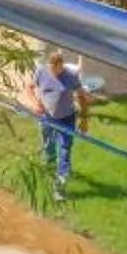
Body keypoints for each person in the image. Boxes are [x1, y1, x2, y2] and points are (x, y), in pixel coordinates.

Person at [32, 47, 88, 195]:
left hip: (67, 118)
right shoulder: (41, 71)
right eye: (50, 68)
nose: (52, 72)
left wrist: (84, 120)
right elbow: (29, 87)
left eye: (54, 69)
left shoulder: (71, 76)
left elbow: (82, 97)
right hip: (46, 116)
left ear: (61, 65)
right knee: (47, 143)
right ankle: (49, 165)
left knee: (64, 149)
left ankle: (59, 186)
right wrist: (35, 103)